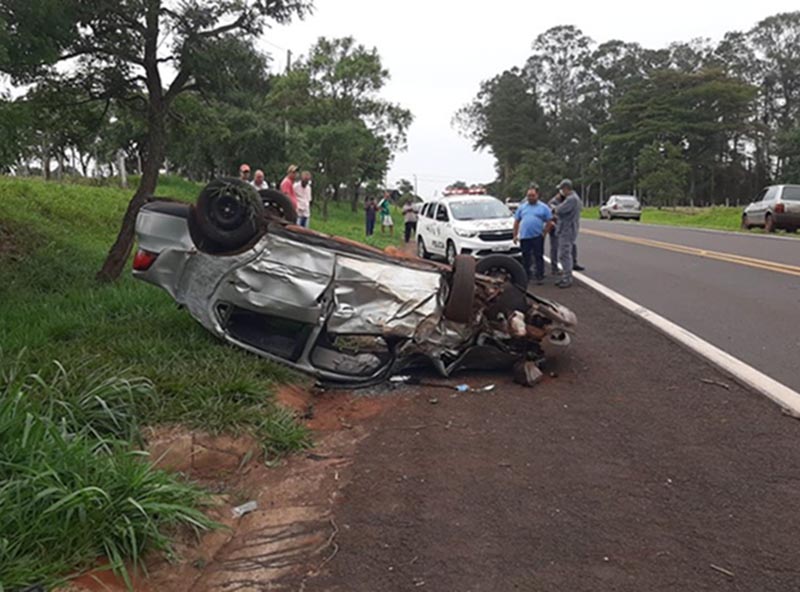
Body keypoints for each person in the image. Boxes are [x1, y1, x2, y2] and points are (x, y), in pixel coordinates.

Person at [512, 183, 553, 284]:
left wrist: (544, 232)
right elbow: (517, 221)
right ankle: (526, 275)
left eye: (532, 196)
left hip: (537, 236)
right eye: (529, 196)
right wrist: (515, 235)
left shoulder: (543, 207)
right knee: (526, 257)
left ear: (537, 195)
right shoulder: (522, 207)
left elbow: (550, 221)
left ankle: (539, 275)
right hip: (525, 236)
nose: (530, 198)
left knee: (538, 256)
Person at [553, 179, 582, 288]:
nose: (561, 191)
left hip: (567, 229)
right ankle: (566, 276)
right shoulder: (574, 198)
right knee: (565, 253)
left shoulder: (571, 199)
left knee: (564, 254)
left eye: (561, 189)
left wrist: (554, 206)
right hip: (568, 228)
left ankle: (567, 278)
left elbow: (558, 210)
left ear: (565, 188)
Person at [547, 194, 582, 275]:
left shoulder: (570, 200)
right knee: (555, 248)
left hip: (567, 229)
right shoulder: (553, 201)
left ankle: (573, 263)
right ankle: (554, 267)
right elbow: (551, 212)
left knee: (571, 245)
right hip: (556, 226)